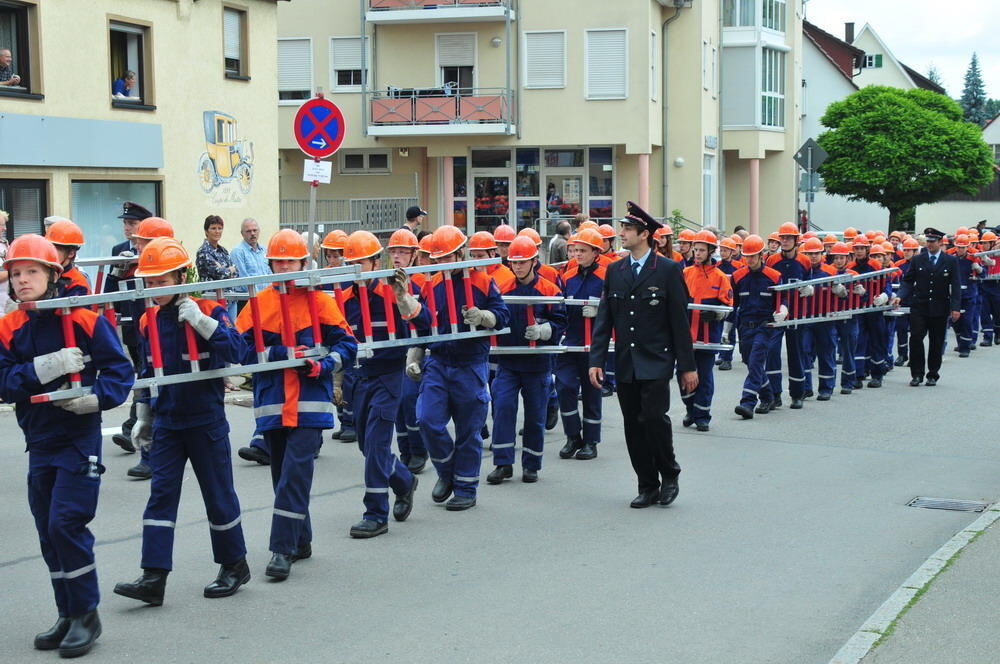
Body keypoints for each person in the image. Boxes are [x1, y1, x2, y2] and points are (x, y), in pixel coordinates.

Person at [0, 234, 134, 657]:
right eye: (15, 274)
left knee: (65, 524)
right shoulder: (9, 326)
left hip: (78, 439)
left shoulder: (84, 318)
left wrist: (95, 398)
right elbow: (3, 383)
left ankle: (86, 614)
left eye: (31, 271)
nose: (22, 280)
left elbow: (119, 372)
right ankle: (67, 613)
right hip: (39, 440)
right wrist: (44, 368)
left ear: (53, 275)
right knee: (47, 531)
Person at [113, 239, 250, 606]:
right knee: (160, 497)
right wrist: (144, 415)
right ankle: (153, 577)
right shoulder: (148, 319)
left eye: (162, 280)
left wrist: (202, 322)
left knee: (218, 495)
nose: (156, 288)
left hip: (205, 419)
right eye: (151, 282)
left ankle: (234, 565)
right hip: (168, 422)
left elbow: (238, 350)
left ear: (180, 276)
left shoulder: (209, 308)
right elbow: (147, 371)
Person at [235, 229, 357, 579]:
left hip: (309, 404)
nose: (286, 267)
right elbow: (240, 350)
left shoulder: (320, 302)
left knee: (293, 478)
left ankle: (282, 549)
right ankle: (301, 541)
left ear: (305, 263)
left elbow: (347, 345)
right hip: (272, 405)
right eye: (279, 262)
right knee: (281, 478)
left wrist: (324, 364)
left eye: (292, 261)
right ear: (270, 265)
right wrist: (279, 353)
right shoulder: (259, 303)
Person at [589, 201, 697, 509]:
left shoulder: (667, 270)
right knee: (633, 425)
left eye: (627, 228)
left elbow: (679, 321)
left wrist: (687, 367)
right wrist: (596, 360)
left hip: (656, 359)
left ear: (644, 234)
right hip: (626, 361)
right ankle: (647, 484)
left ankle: (669, 473)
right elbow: (604, 319)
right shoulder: (615, 270)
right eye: (622, 227)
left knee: (653, 419)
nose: (621, 233)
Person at [414, 225, 509, 511]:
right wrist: (414, 356)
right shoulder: (431, 284)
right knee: (427, 420)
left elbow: (503, 315)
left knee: (469, 430)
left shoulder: (482, 281)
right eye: (438, 259)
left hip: (470, 363)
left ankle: (466, 488)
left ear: (460, 254)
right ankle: (447, 472)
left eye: (448, 257)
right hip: (438, 361)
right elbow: (423, 326)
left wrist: (484, 316)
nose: (443, 263)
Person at [340, 231, 427, 537]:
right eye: (350, 264)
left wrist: (404, 299)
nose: (355, 270)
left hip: (389, 376)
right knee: (366, 446)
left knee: (376, 445)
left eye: (361, 263)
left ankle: (375, 513)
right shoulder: (344, 298)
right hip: (359, 377)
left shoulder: (393, 291)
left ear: (376, 262)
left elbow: (424, 324)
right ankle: (404, 481)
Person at [487, 236, 566, 485]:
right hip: (508, 363)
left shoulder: (549, 290)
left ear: (534, 261)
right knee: (503, 410)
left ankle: (531, 465)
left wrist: (545, 330)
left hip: (537, 364)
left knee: (535, 416)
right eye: (514, 262)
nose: (518, 267)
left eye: (522, 262)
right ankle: (503, 464)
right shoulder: (502, 288)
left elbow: (561, 321)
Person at [106, 201, 154, 478]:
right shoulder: (119, 251)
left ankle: (131, 427)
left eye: (132, 223)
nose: (128, 228)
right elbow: (109, 291)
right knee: (142, 372)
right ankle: (134, 426)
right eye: (125, 223)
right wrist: (117, 270)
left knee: (146, 375)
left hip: (152, 320)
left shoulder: (157, 249)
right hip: (132, 322)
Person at [556, 229, 606, 461]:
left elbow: (617, 308)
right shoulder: (567, 277)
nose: (577, 254)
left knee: (591, 391)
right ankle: (572, 436)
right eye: (575, 250)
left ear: (596, 252)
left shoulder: (606, 276)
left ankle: (591, 441)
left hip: (594, 344)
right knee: (565, 387)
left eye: (583, 250)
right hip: (571, 341)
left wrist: (599, 311)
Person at [891, 228, 961, 387]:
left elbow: (956, 285)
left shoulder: (950, 261)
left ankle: (933, 373)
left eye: (932, 241)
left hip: (940, 307)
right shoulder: (918, 259)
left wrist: (955, 307)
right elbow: (908, 281)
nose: (929, 244)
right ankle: (917, 374)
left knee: (936, 341)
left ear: (940, 242)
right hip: (920, 306)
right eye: (928, 241)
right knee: (916, 338)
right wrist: (900, 296)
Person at [681, 230, 732, 432]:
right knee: (682, 373)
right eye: (696, 250)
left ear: (711, 251)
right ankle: (690, 408)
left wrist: (716, 314)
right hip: (686, 335)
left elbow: (728, 307)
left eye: (702, 250)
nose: (698, 253)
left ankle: (702, 415)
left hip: (708, 336)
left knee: (704, 375)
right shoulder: (686, 273)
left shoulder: (720, 277)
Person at [731, 235, 783, 418]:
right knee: (750, 363)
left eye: (753, 256)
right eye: (747, 256)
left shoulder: (774, 276)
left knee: (755, 362)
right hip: (745, 326)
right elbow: (733, 304)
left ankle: (747, 402)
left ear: (761, 255)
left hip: (765, 326)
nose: (750, 259)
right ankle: (768, 396)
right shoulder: (738, 277)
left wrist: (783, 310)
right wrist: (727, 328)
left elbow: (783, 300)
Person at [45, 219, 91, 298]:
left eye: (54, 250)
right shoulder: (46, 274)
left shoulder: (78, 283)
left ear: (71, 253)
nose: (49, 253)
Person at [229, 218, 271, 302]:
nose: (252, 233)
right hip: (248, 299)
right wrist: (259, 296)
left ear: (259, 231)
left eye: (255, 230)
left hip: (268, 297)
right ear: (242, 234)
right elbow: (243, 279)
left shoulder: (265, 250)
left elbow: (271, 274)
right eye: (248, 231)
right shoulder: (238, 252)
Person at [0, 209, 9, 313]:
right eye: (1, 225)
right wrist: (14, 272)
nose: (5, 228)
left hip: (8, 305)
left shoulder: (4, 244)